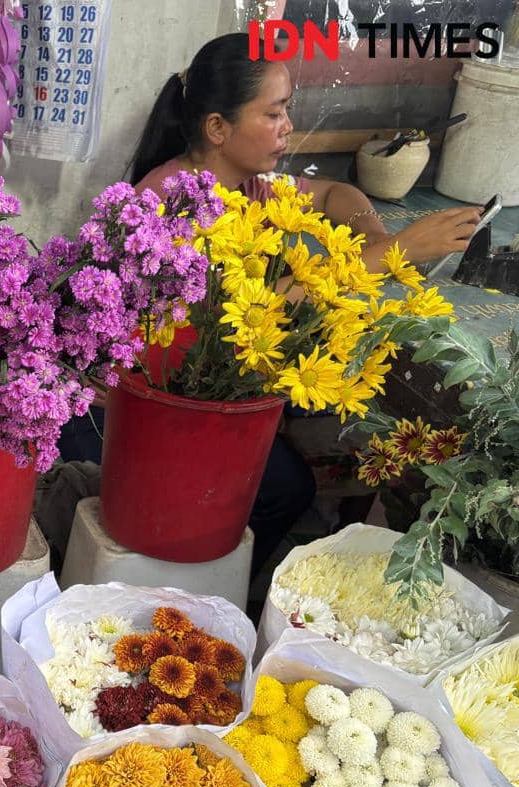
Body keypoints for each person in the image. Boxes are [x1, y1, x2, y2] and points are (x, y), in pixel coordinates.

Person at [59, 32, 481, 576]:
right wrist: (395, 252)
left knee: (286, 474)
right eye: (275, 113)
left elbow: (334, 196)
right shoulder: (173, 204)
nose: (287, 128)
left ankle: (213, 587)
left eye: (289, 111)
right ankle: (195, 589)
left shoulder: (250, 185)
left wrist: (370, 235)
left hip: (190, 396)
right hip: (123, 415)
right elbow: (243, 319)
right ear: (218, 128)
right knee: (284, 487)